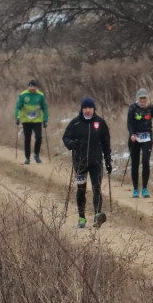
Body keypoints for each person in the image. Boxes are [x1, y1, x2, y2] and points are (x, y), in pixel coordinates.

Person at [61, 97, 112, 229]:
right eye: (85, 108)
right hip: (80, 162)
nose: (88, 110)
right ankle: (82, 218)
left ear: (94, 109)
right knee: (81, 190)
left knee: (96, 188)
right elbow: (65, 137)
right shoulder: (75, 123)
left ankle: (97, 216)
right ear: (82, 109)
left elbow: (106, 143)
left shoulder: (100, 123)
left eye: (90, 108)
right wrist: (71, 144)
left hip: (96, 162)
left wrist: (108, 160)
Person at [126, 88, 153, 198]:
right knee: (135, 163)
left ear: (147, 98)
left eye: (144, 98)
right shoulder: (133, 108)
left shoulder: (151, 108)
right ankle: (136, 189)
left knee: (145, 161)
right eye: (141, 98)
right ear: (138, 99)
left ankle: (144, 188)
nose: (143, 100)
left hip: (147, 137)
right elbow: (129, 123)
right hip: (135, 138)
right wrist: (132, 134)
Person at [15, 79, 48, 164]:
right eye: (31, 86)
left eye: (34, 86)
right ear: (28, 87)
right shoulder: (23, 95)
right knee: (27, 139)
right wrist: (17, 117)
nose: (32, 88)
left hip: (37, 120)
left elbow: (44, 108)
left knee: (39, 137)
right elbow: (18, 107)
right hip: (26, 120)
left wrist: (45, 119)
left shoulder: (40, 95)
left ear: (36, 87)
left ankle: (36, 154)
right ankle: (27, 157)